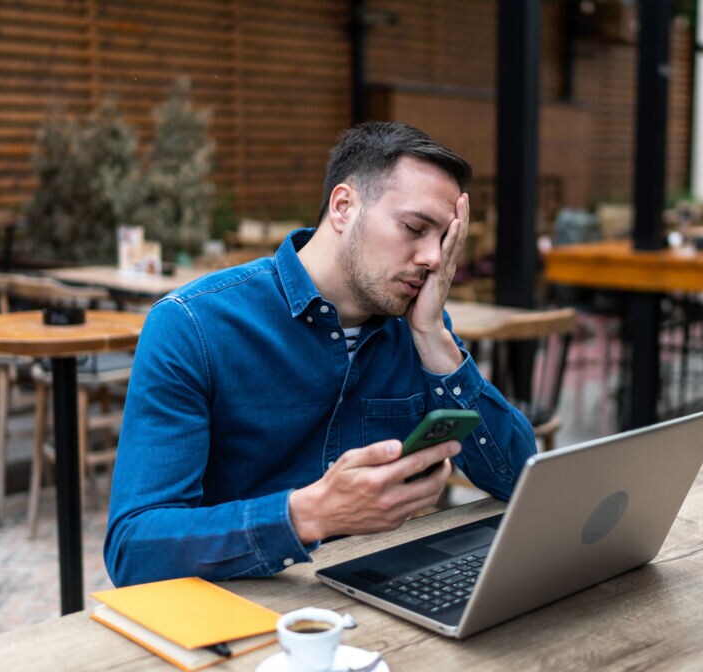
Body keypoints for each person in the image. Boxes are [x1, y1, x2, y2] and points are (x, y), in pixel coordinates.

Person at [104, 122, 537, 587]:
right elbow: (134, 550)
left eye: (446, 240)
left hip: (379, 606)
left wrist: (434, 338)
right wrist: (307, 515)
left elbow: (519, 483)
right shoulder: (193, 325)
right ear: (343, 207)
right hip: (239, 618)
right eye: (415, 228)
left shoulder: (419, 329)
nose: (434, 258)